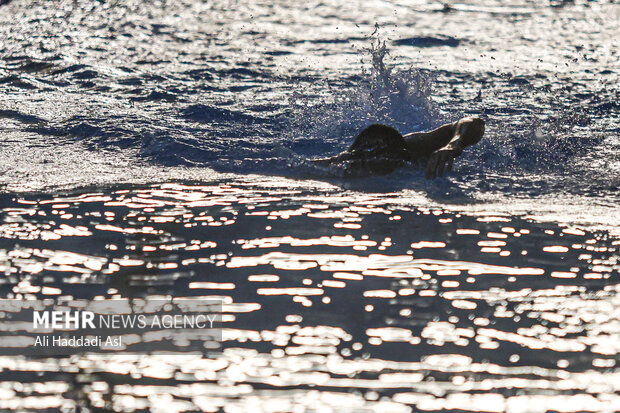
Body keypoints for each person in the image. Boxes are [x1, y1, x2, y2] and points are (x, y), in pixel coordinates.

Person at [311, 116, 485, 179]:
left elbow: (474, 122)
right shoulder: (350, 161)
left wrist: (453, 144)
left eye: (385, 161)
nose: (377, 165)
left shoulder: (416, 147)